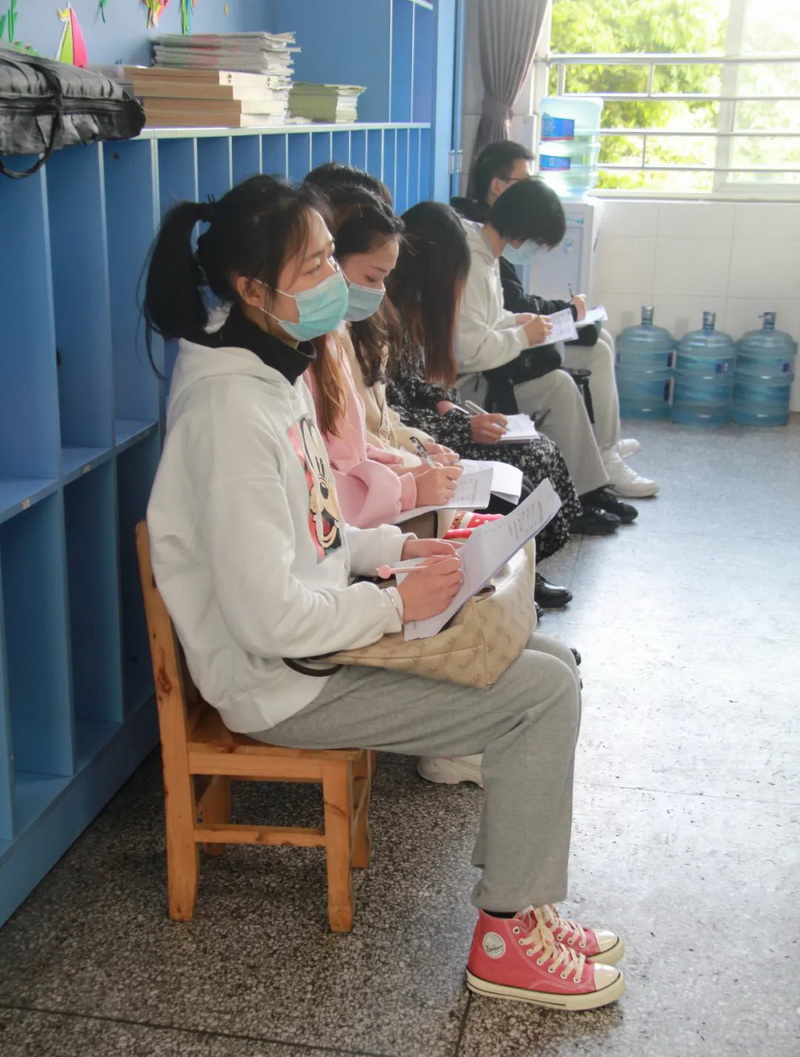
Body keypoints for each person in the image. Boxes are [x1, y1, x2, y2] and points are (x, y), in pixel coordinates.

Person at [143, 173, 625, 1011]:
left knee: (550, 663)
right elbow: (268, 618)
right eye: (314, 266)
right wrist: (398, 603)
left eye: (332, 256)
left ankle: (527, 903)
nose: (335, 281)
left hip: (320, 639)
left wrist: (397, 547)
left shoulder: (270, 368)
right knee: (539, 696)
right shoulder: (229, 411)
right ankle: (505, 938)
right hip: (283, 680)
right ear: (252, 288)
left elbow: (316, 527)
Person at [384, 200, 584, 596]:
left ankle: (527, 570)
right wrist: (462, 426)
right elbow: (388, 414)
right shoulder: (383, 319)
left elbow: (415, 382)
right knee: (522, 472)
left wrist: (447, 404)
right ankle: (516, 574)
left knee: (539, 448)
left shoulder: (412, 312)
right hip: (411, 440)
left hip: (431, 422)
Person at [455, 141, 658, 499]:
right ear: (522, 233)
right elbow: (469, 352)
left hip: (487, 364)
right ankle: (590, 488)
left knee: (572, 368)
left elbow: (491, 317)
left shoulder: (486, 253)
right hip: (467, 382)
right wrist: (523, 335)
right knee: (559, 385)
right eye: (538, 243)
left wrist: (517, 321)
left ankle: (594, 474)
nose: (535, 252)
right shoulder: (474, 259)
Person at [301, 185, 463, 529]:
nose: (380, 291)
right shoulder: (312, 347)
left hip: (369, 492)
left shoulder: (336, 334)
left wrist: (416, 453)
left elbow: (359, 441)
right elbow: (330, 472)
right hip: (349, 512)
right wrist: (408, 480)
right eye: (318, 265)